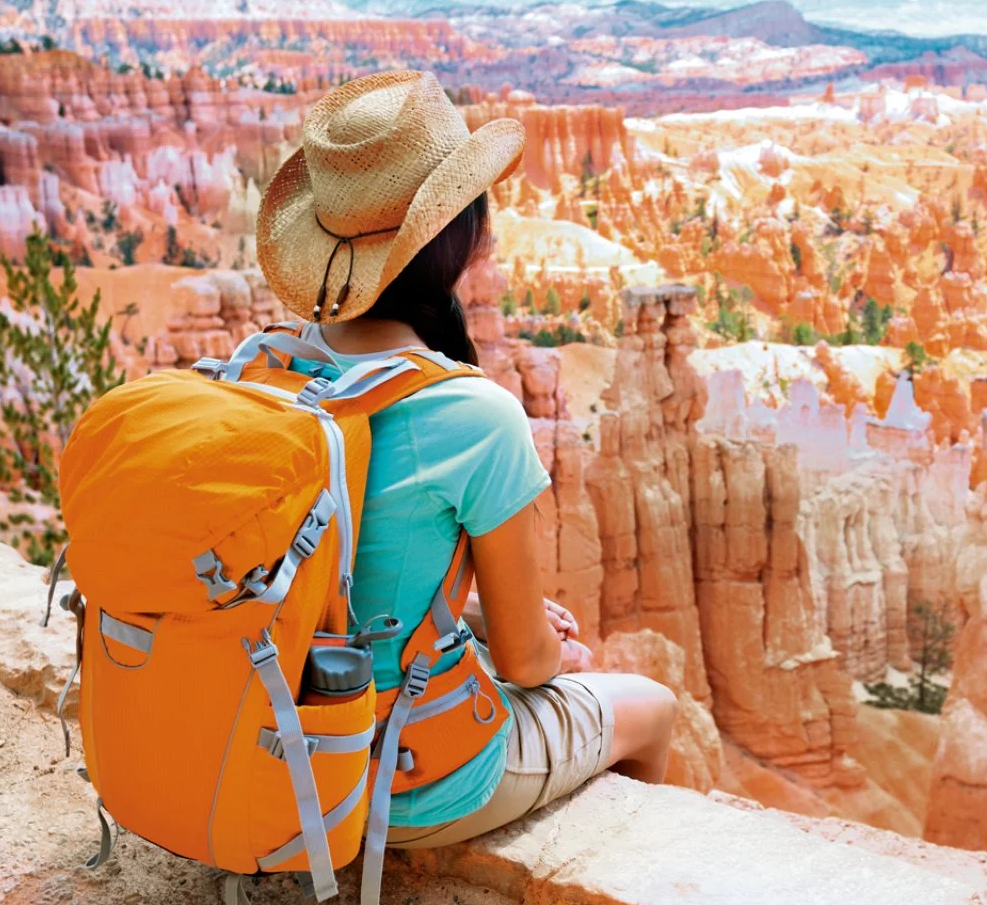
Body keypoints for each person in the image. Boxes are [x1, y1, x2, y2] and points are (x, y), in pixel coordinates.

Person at [255, 68, 678, 850]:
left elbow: (325, 574)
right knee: (651, 707)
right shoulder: (473, 414)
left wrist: (470, 614)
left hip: (258, 749)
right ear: (461, 236)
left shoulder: (267, 367)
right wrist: (547, 647)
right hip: (397, 779)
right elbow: (526, 663)